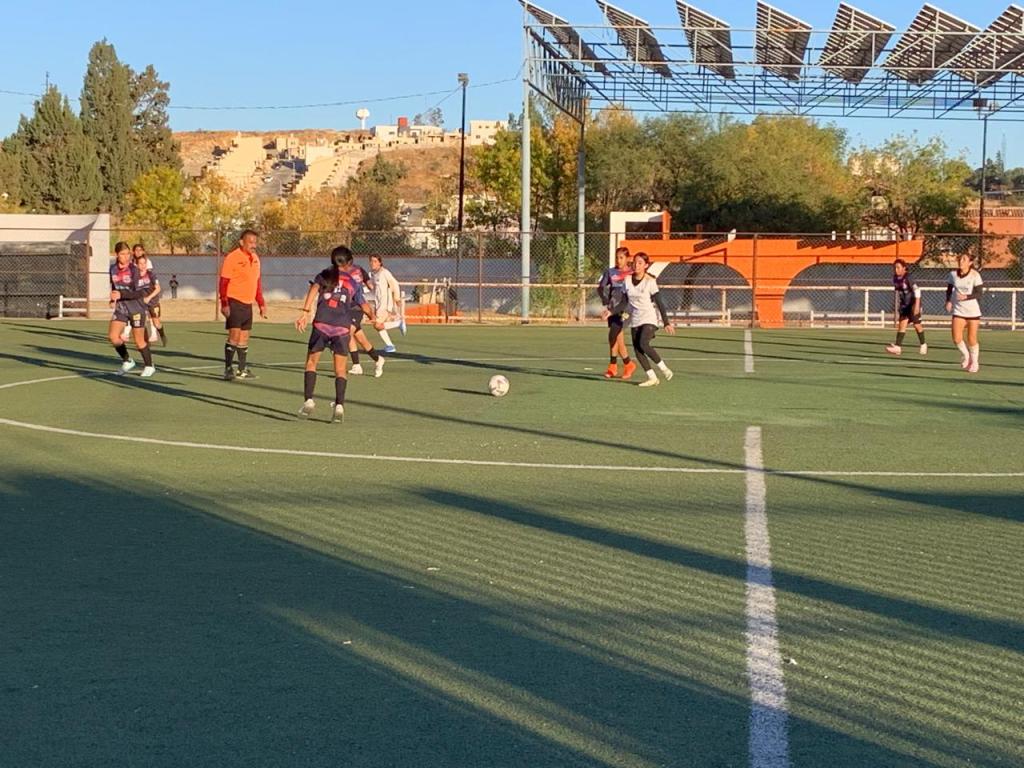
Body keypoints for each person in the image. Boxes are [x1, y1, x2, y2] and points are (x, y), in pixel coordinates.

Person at [295, 246, 384, 422]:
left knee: (311, 363)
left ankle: (309, 400)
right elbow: (363, 304)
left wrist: (305, 312)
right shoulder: (353, 282)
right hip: (342, 328)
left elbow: (313, 290)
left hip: (321, 324)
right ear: (349, 263)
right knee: (341, 369)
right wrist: (374, 318)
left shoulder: (324, 275)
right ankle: (339, 405)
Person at [616, 252, 675, 388]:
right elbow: (623, 302)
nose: (636, 265)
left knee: (643, 343)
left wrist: (666, 322)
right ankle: (652, 378)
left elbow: (660, 303)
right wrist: (613, 312)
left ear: (646, 266)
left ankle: (664, 368)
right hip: (635, 318)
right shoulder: (627, 281)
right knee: (637, 350)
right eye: (635, 262)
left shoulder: (650, 281)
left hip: (649, 318)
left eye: (640, 263)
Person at [219, 229, 266, 380]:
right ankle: (228, 369)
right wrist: (224, 303)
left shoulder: (256, 259)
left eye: (255, 242)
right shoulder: (232, 258)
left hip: (248, 303)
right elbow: (223, 282)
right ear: (241, 242)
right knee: (234, 336)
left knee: (244, 337)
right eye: (250, 242)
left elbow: (257, 283)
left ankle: (241, 369)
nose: (254, 245)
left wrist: (261, 303)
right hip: (234, 301)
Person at [107, 241, 156, 378]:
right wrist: (112, 299)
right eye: (123, 254)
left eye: (128, 253)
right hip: (122, 307)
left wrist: (121, 294)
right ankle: (127, 361)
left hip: (136, 308)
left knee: (139, 341)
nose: (126, 256)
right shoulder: (112, 269)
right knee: (113, 337)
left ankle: (149, 365)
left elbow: (139, 293)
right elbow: (114, 286)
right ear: (117, 255)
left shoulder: (134, 270)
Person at [344, 256, 386, 377]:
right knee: (361, 339)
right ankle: (378, 359)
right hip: (346, 308)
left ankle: (356, 365)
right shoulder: (340, 273)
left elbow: (370, 286)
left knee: (347, 333)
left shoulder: (357, 271)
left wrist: (381, 292)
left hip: (356, 308)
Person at [598, 246, 635, 379]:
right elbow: (600, 288)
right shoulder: (610, 272)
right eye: (617, 257)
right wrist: (604, 299)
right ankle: (620, 366)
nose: (619, 260)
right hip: (612, 308)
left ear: (628, 258)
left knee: (614, 333)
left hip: (625, 308)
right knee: (616, 337)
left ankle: (622, 364)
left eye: (621, 257)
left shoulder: (632, 273)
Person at [946, 252, 984, 374]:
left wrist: (966, 296)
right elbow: (949, 289)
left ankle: (975, 362)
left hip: (973, 312)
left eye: (964, 259)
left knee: (971, 339)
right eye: (960, 258)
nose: (961, 261)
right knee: (956, 338)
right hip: (958, 310)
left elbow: (979, 293)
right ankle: (966, 356)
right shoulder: (953, 275)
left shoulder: (975, 275)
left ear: (970, 263)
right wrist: (948, 301)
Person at [885, 258, 927, 356]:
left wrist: (916, 306)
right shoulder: (895, 278)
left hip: (913, 304)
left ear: (904, 268)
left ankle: (923, 344)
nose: (896, 270)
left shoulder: (909, 278)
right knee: (902, 325)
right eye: (895, 268)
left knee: (917, 325)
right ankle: (898, 347)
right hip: (905, 305)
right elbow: (900, 293)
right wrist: (898, 304)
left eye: (898, 267)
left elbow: (917, 291)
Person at [369, 254, 405, 352]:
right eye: (371, 261)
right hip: (379, 304)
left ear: (380, 263)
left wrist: (397, 298)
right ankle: (390, 345)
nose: (372, 263)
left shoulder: (385, 272)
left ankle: (398, 324)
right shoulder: (374, 274)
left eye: (375, 261)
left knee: (377, 324)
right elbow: (373, 288)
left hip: (385, 304)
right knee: (377, 325)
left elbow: (395, 284)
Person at [135, 253, 166, 346]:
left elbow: (158, 288)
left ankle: (162, 335)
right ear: (137, 265)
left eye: (144, 263)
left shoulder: (151, 275)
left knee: (156, 323)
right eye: (140, 263)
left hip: (152, 302)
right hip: (142, 302)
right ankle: (145, 342)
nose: (143, 265)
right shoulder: (135, 276)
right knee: (141, 322)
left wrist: (149, 298)